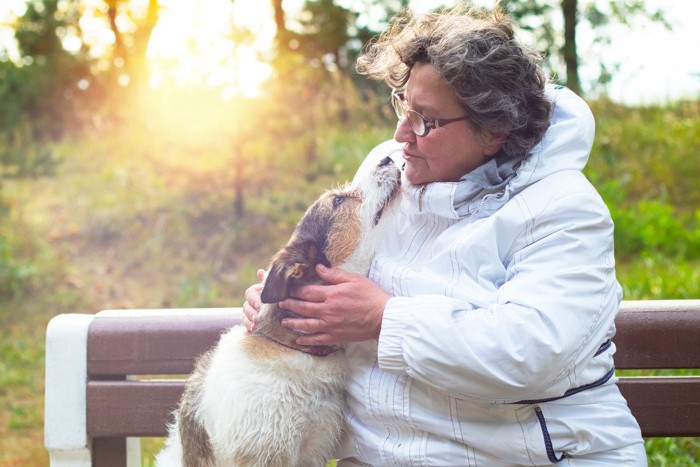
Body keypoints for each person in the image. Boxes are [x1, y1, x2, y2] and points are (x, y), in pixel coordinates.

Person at [243, 4, 646, 465]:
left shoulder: (564, 209)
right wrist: (287, 305)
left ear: (493, 130)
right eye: (402, 105)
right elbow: (332, 271)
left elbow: (530, 354)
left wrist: (384, 319)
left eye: (426, 120)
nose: (401, 134)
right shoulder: (387, 168)